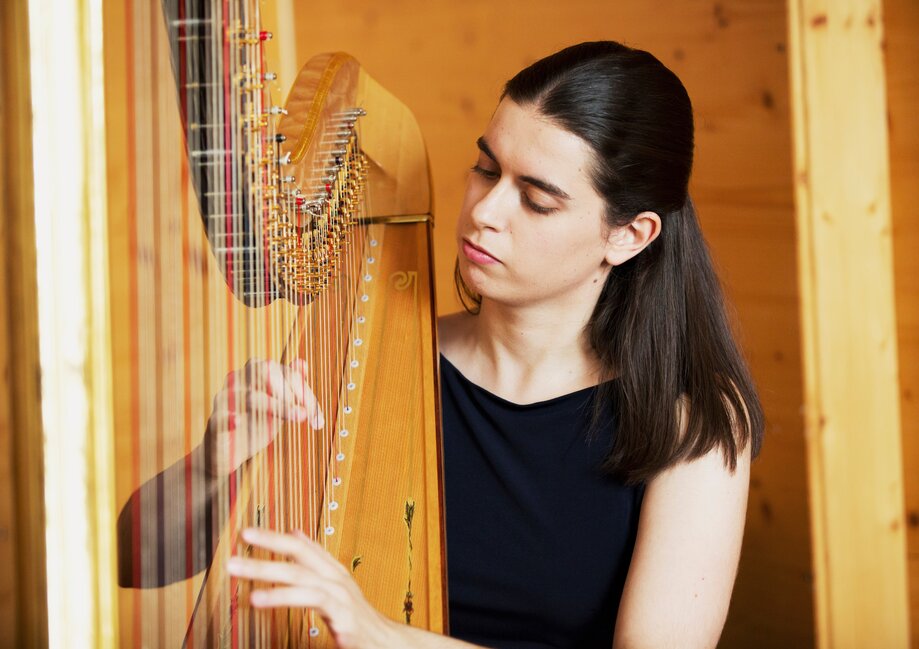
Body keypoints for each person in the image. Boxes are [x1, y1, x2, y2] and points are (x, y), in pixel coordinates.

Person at [221, 40, 764, 649]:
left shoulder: (690, 419)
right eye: (486, 169)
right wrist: (216, 458)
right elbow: (139, 559)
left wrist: (383, 637)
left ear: (629, 236)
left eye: (536, 200)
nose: (485, 211)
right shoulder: (365, 361)